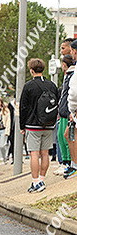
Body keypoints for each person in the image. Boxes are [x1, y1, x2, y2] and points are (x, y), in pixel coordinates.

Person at [19, 58, 59, 193]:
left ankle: (35, 182)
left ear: (31, 70)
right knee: (45, 153)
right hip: (48, 124)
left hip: (32, 124)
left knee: (34, 154)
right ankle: (42, 179)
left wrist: (22, 126)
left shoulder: (28, 86)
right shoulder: (51, 85)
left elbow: (23, 107)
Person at [54, 55, 75, 176]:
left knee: (67, 137)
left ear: (64, 64)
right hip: (63, 111)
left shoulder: (72, 75)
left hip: (67, 111)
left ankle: (70, 162)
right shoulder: (67, 76)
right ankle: (66, 162)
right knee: (61, 137)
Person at [64, 39, 77, 179]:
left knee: (71, 135)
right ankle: (74, 164)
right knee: (68, 135)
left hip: (76, 109)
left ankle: (76, 165)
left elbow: (74, 92)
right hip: (75, 109)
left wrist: (72, 110)